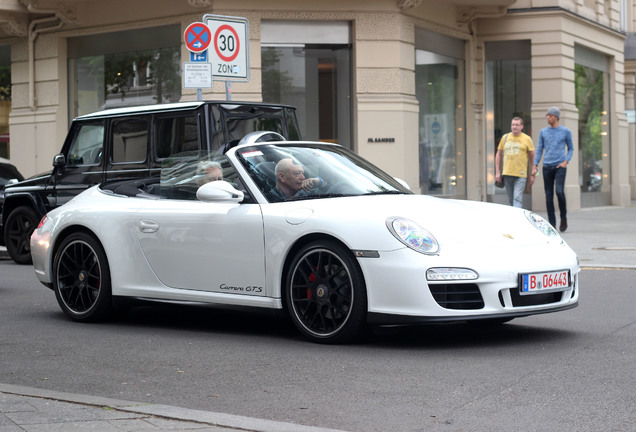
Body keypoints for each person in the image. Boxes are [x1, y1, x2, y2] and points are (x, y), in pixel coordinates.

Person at [532, 106, 574, 232]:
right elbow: (539, 149)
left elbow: (571, 148)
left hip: (560, 166)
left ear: (556, 117)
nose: (547, 117)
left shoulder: (566, 131)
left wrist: (566, 161)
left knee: (559, 191)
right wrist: (535, 164)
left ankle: (563, 217)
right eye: (547, 115)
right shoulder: (543, 132)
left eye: (549, 115)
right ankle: (552, 224)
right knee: (548, 195)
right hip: (547, 166)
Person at [495, 116, 536, 208]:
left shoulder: (527, 139)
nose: (514, 127)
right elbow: (498, 154)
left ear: (522, 126)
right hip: (507, 173)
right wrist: (497, 172)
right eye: (513, 124)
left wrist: (533, 173)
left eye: (517, 125)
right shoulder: (505, 138)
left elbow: (533, 156)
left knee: (517, 198)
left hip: (520, 175)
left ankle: (518, 219)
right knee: (511, 200)